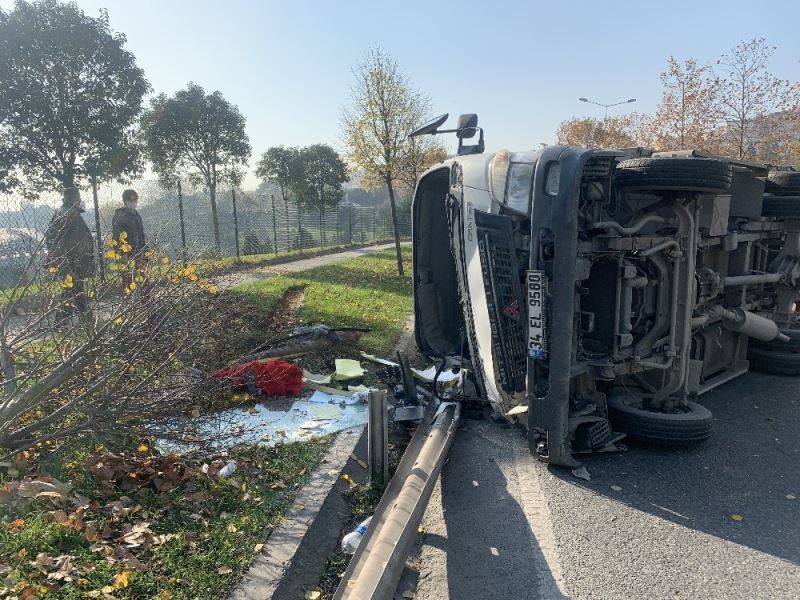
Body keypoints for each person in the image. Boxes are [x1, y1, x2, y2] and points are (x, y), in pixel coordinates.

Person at [44, 187, 95, 315]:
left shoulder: (60, 212)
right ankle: (85, 320)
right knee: (77, 290)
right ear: (75, 198)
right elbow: (77, 240)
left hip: (66, 260)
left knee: (70, 290)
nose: (80, 200)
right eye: (79, 197)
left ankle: (62, 323)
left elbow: (50, 238)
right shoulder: (71, 214)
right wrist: (79, 258)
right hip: (73, 259)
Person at [112, 189, 147, 291]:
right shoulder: (119, 216)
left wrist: (145, 249)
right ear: (125, 201)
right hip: (125, 252)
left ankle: (146, 300)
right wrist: (121, 253)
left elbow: (141, 234)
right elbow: (117, 236)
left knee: (143, 275)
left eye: (135, 199)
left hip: (139, 250)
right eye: (131, 200)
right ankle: (128, 300)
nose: (133, 202)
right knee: (127, 277)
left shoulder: (137, 215)